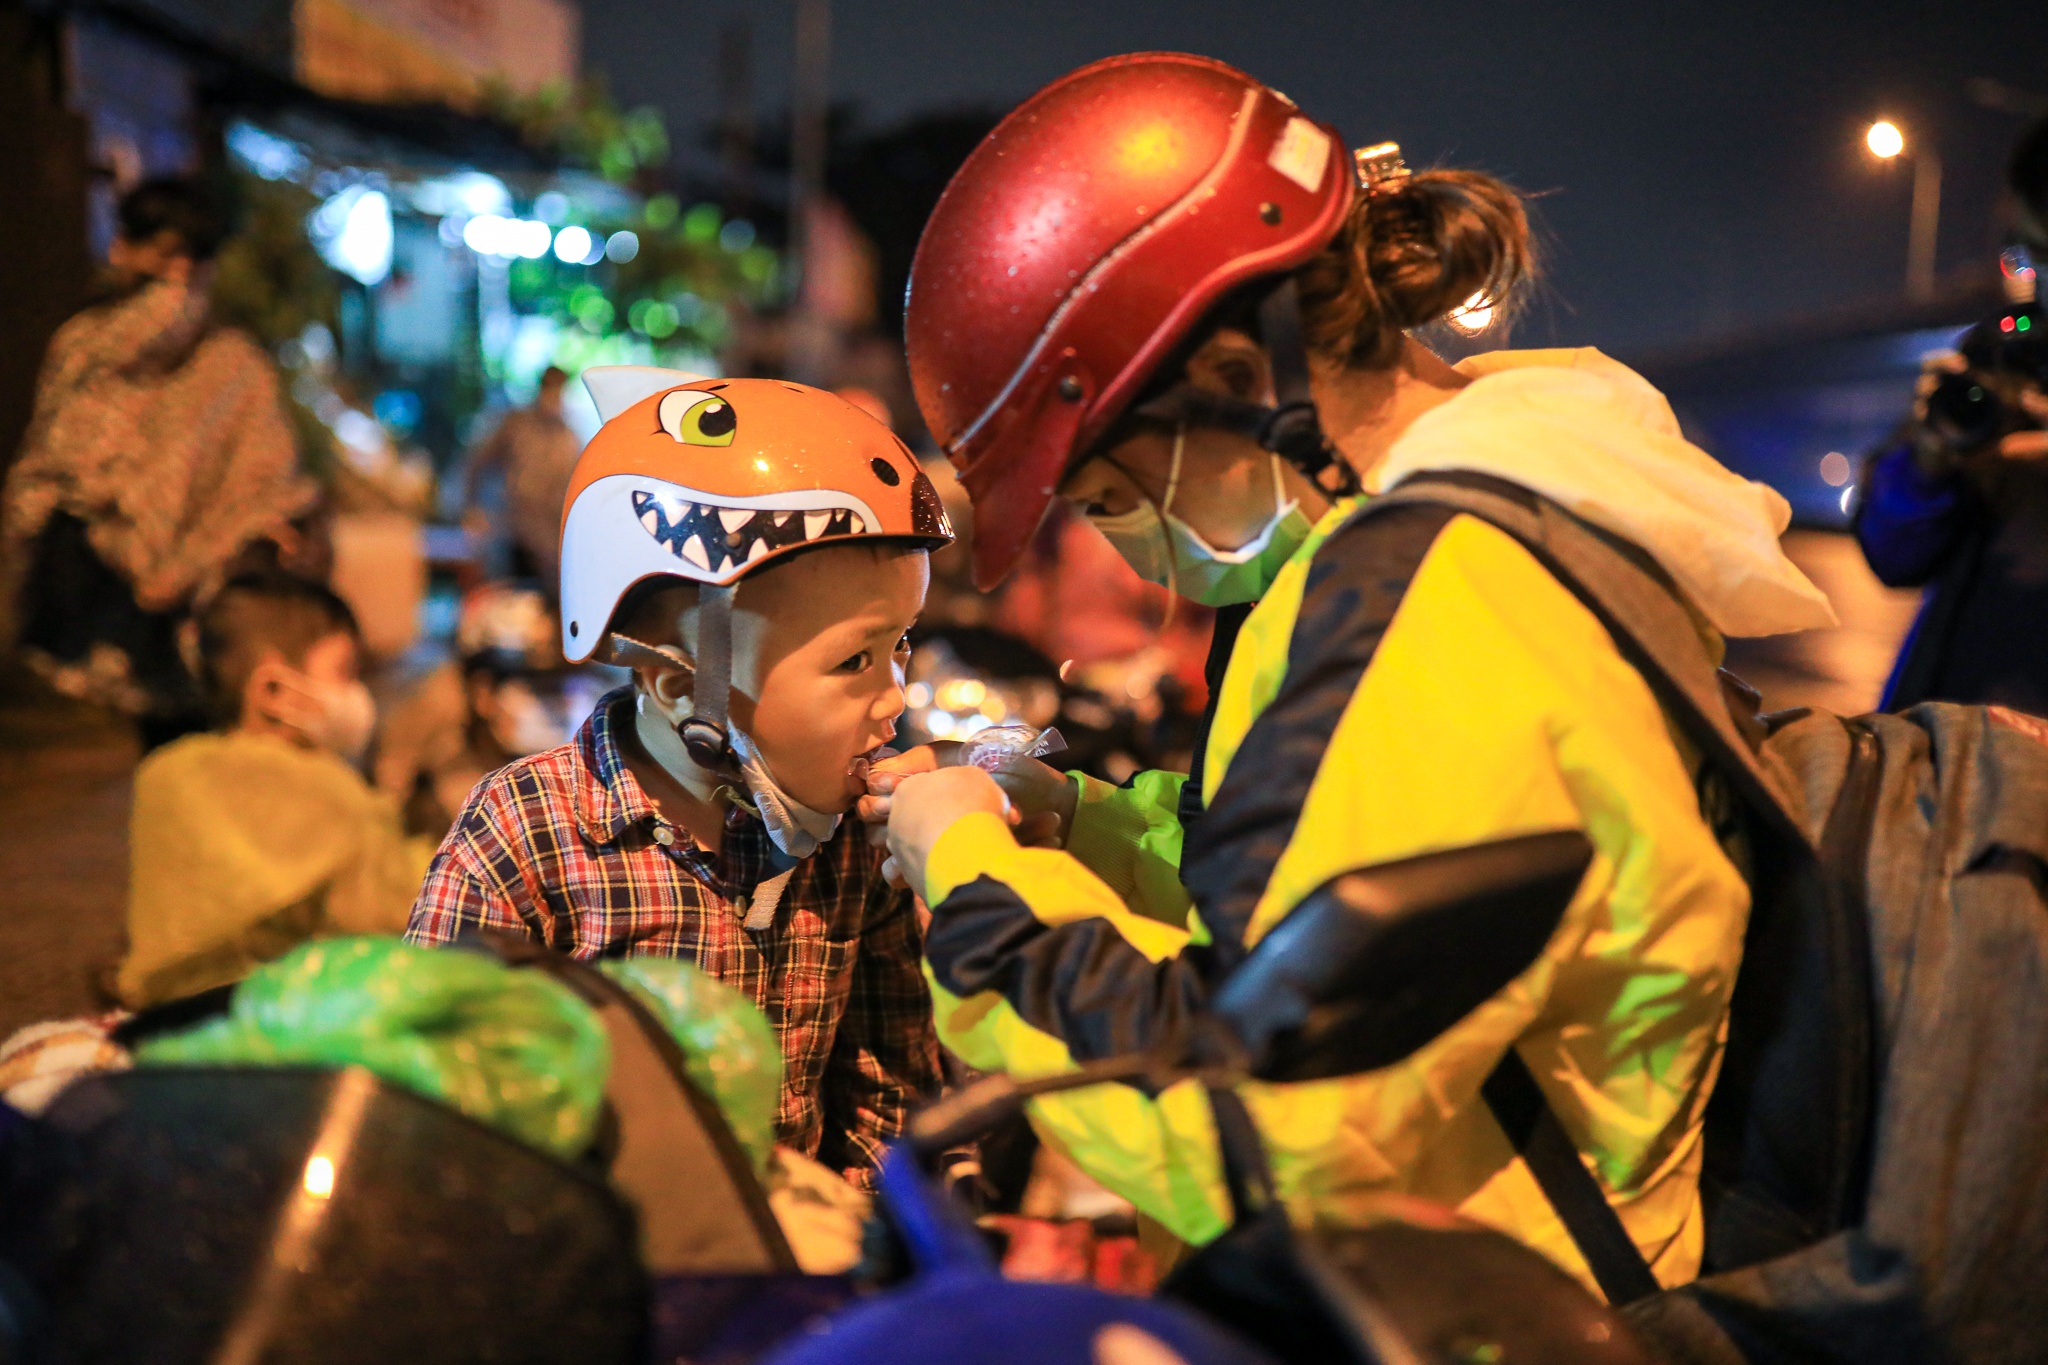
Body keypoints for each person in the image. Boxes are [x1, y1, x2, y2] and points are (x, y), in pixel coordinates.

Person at [863, 53, 1838, 1295]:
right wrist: (1078, 828)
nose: (1120, 547)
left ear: (1232, 383)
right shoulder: (1507, 512)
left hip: (1481, 1309)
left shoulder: (1438, 601)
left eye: (1106, 497)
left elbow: (1250, 1122)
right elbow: (1304, 905)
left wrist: (968, 876)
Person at [408, 369, 955, 1187]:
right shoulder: (526, 834)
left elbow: (894, 1099)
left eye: (901, 643)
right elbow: (439, 1121)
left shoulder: (855, 843)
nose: (896, 697)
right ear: (679, 687)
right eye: (854, 660)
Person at [2, 178, 316, 728]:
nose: (176, 282)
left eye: (188, 257)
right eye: (165, 253)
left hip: (176, 620)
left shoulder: (230, 366)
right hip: (92, 609)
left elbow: (263, 481)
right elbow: (57, 466)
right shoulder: (89, 346)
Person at [114, 572, 428, 1008]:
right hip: (283, 1010)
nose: (359, 695)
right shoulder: (319, 784)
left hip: (169, 1012)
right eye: (345, 672)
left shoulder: (163, 773)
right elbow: (390, 908)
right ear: (274, 690)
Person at [1855, 120, 2048, 712]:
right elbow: (1893, 556)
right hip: (1943, 739)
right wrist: (1927, 463)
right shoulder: (2003, 350)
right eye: (2035, 254)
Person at [464, 365, 581, 586]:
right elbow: (477, 463)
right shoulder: (516, 425)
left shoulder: (569, 437)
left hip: (550, 542)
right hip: (514, 533)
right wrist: (473, 509)